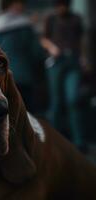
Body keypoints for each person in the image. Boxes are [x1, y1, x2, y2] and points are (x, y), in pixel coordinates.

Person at [0, 0, 46, 114]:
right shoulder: (26, 27)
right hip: (25, 79)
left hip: (2, 80)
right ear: (13, 5)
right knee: (27, 116)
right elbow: (38, 54)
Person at [41, 0, 85, 150]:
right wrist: (52, 47)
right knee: (56, 102)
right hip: (56, 63)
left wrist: (83, 58)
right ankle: (55, 142)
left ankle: (79, 141)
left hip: (73, 62)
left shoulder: (76, 18)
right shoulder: (51, 19)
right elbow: (44, 39)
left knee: (73, 99)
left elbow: (81, 40)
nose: (62, 8)